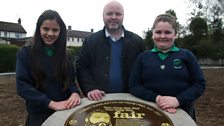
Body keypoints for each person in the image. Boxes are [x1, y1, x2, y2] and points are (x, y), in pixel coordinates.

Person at [129, 13, 206, 121]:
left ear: (175, 34)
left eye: (168, 32)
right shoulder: (143, 58)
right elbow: (134, 86)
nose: (163, 36)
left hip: (183, 113)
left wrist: (178, 100)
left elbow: (199, 84)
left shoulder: (187, 55)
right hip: (150, 113)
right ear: (152, 34)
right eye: (158, 32)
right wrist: (157, 98)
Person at [16, 10, 80, 126]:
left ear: (61, 31)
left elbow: (71, 83)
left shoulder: (67, 55)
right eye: (46, 29)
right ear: (39, 29)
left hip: (65, 113)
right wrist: (50, 103)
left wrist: (75, 93)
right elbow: (22, 86)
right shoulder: (25, 53)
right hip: (38, 116)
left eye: (55, 30)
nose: (50, 33)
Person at [76, 0, 145, 101]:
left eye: (118, 14)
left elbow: (143, 70)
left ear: (123, 16)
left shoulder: (137, 41)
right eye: (109, 14)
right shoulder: (90, 41)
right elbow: (82, 67)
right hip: (99, 100)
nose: (113, 17)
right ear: (103, 15)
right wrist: (90, 88)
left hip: (132, 100)